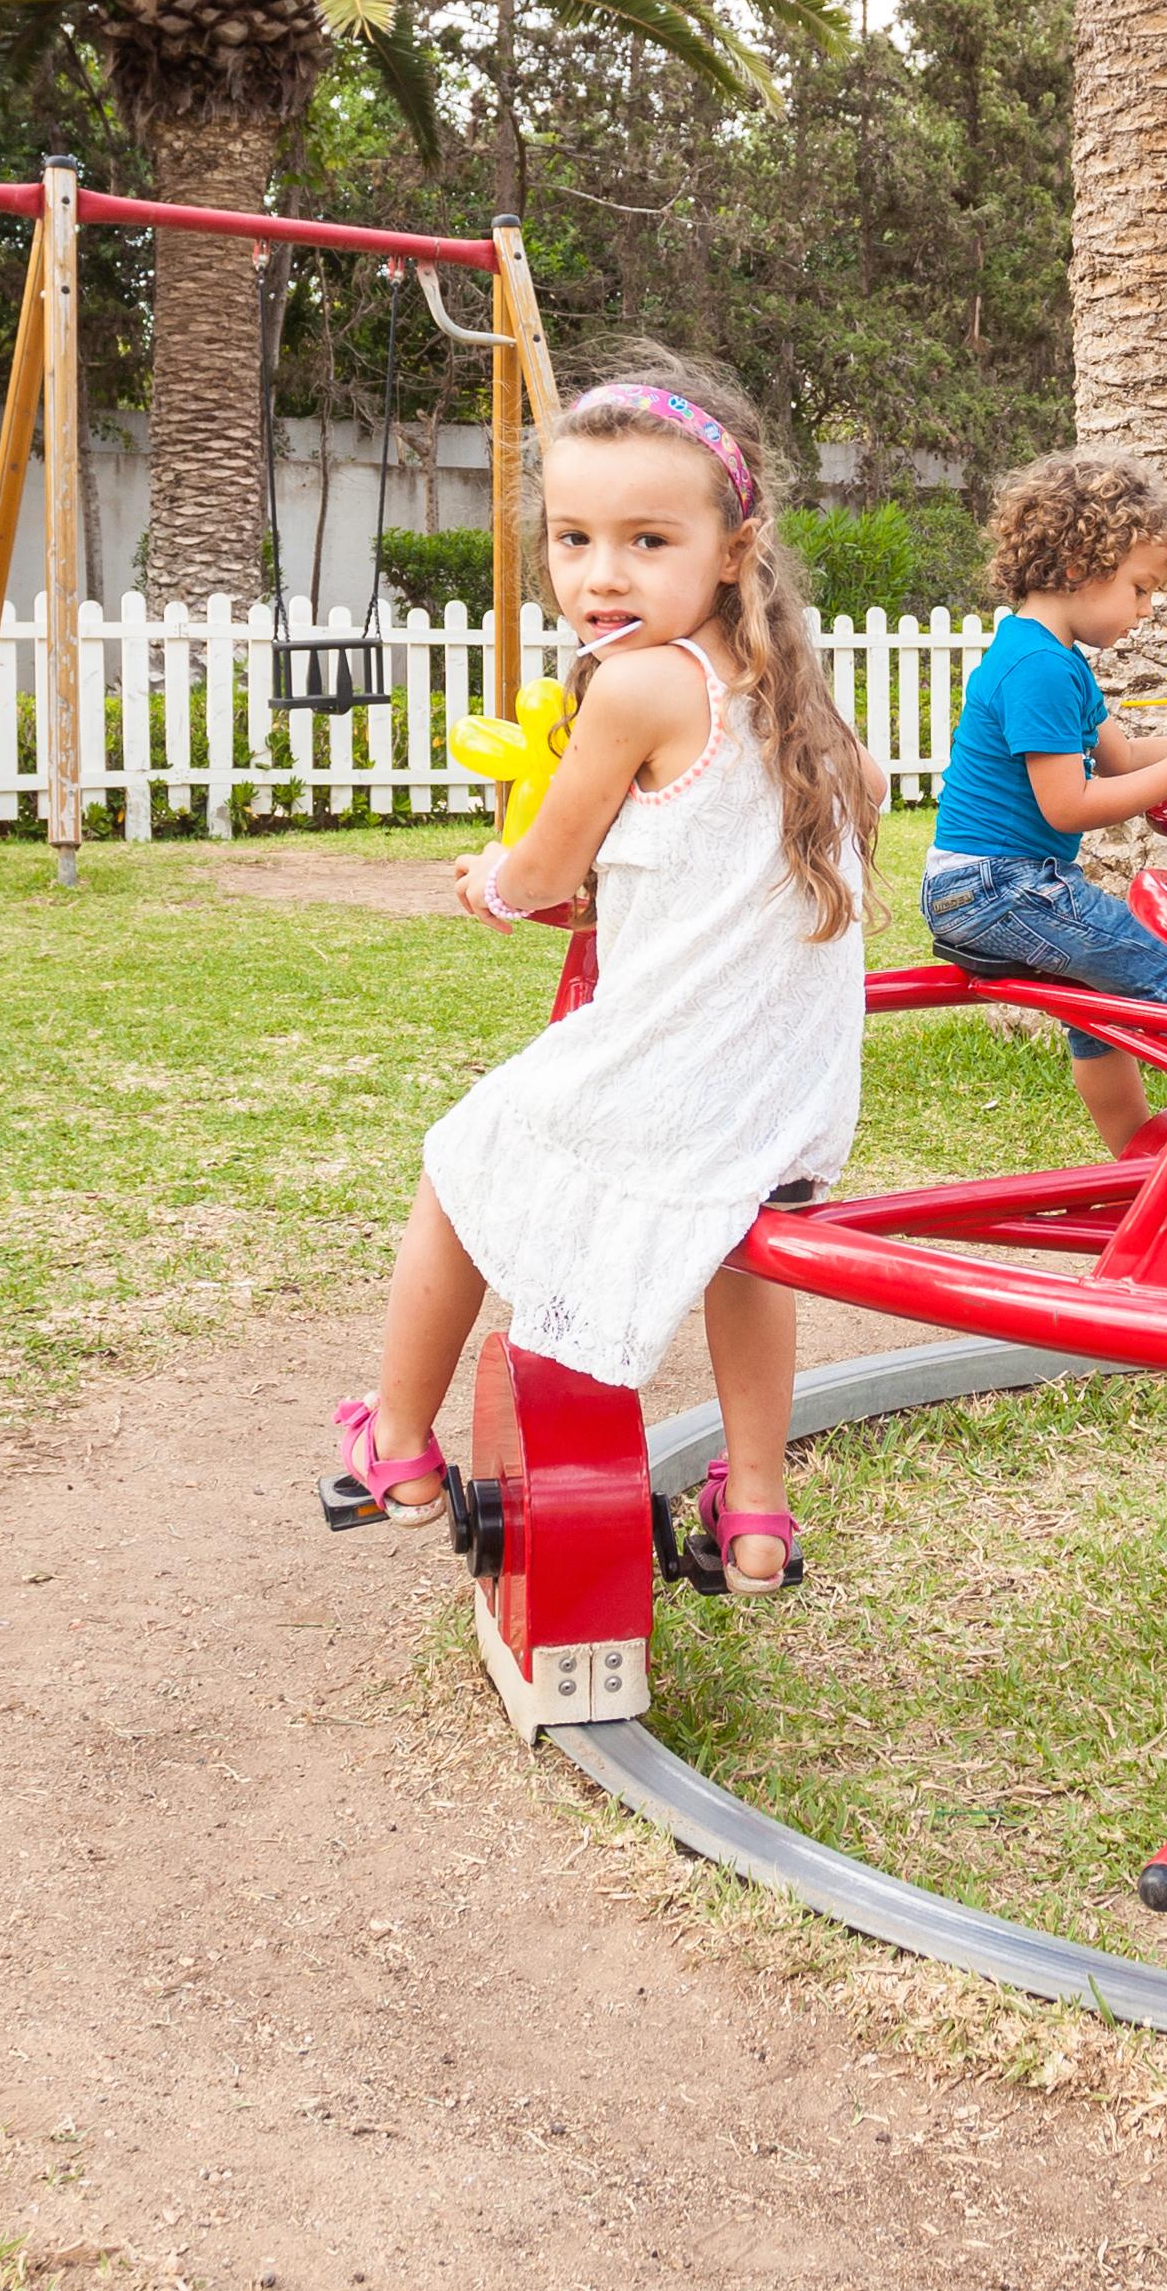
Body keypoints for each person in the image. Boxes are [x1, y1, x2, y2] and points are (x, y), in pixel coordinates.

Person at [324, 355, 882, 1593]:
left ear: (736, 548)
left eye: (646, 539)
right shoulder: (790, 691)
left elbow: (540, 871)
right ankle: (757, 1514)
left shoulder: (632, 685)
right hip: (790, 1087)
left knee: (466, 1157)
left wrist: (490, 878)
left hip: (679, 1065)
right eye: (573, 540)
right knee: (749, 1245)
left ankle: (399, 1449)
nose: (601, 576)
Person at [915, 454, 1167, 1156]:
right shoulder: (1039, 667)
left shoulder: (1056, 657)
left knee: (1099, 1011)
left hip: (994, 883)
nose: (1145, 611)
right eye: (1140, 589)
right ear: (1079, 562)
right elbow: (1068, 805)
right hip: (995, 886)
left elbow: (1125, 756)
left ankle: (1134, 1155)